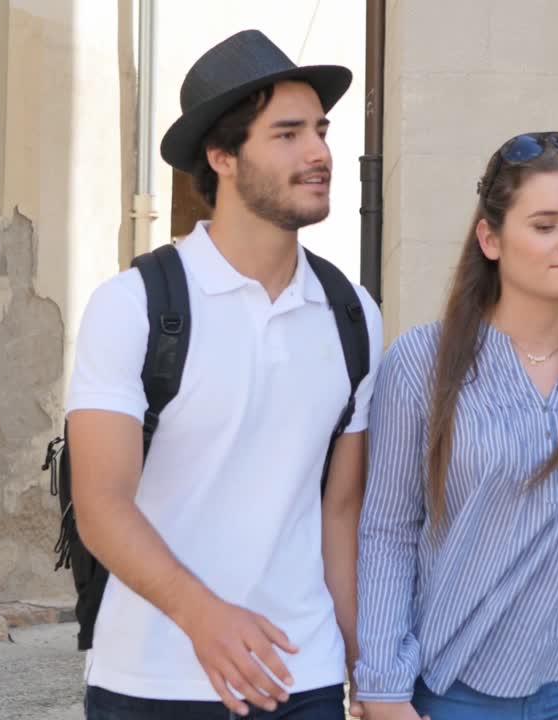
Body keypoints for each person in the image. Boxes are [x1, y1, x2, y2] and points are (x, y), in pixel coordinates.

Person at [65, 30, 381, 719]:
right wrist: (203, 616)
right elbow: (101, 504)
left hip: (303, 676)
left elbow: (339, 512)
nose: (319, 153)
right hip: (152, 681)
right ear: (222, 156)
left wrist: (366, 665)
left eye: (320, 131)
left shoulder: (353, 313)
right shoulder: (135, 307)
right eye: (288, 134)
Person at [354, 131, 558, 720]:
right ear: (490, 239)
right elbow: (388, 532)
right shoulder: (421, 363)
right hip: (459, 683)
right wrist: (383, 685)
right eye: (545, 225)